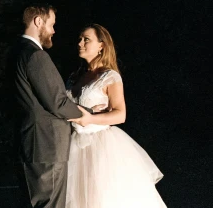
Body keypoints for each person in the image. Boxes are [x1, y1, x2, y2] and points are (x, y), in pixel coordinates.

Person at [65, 23, 166, 208]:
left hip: (100, 145)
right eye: (79, 39)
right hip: (73, 144)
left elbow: (120, 114)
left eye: (86, 39)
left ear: (101, 46)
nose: (80, 43)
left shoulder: (109, 76)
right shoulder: (74, 77)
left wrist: (91, 118)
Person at [8, 5, 94, 208]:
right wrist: (90, 114)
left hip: (30, 144)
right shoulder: (36, 55)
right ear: (38, 21)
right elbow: (57, 103)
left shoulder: (15, 52)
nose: (54, 31)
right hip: (46, 147)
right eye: (51, 24)